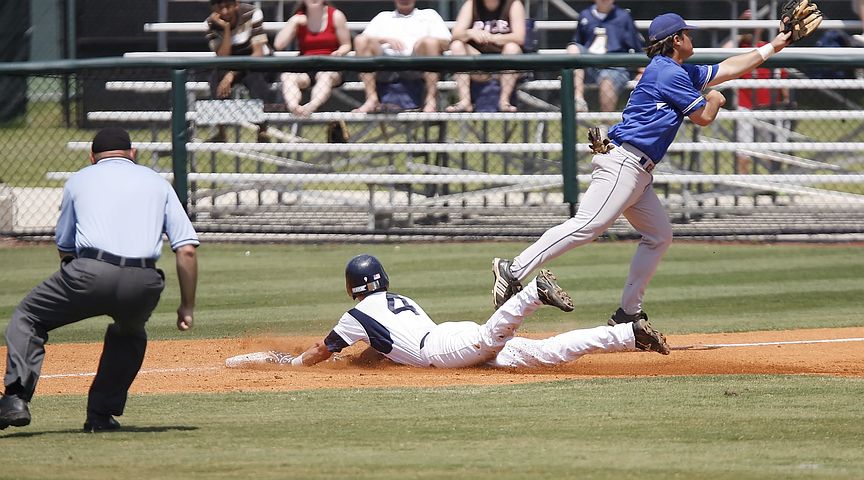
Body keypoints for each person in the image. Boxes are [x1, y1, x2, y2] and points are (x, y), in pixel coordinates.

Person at [491, 13, 792, 325]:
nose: (692, 38)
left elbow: (728, 68)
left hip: (638, 171)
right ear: (676, 40)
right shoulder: (668, 74)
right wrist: (714, 98)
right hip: (625, 163)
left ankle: (628, 313)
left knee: (658, 236)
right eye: (687, 34)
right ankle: (513, 269)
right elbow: (704, 116)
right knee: (587, 226)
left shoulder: (676, 71)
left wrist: (776, 45)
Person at [0, 128, 199, 432]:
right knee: (129, 334)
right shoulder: (158, 182)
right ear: (133, 155)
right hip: (144, 281)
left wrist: (75, 277)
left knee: (28, 317)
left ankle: (15, 399)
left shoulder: (79, 179)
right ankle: (101, 416)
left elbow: (65, 247)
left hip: (89, 271)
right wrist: (187, 306)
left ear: (91, 157)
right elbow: (186, 251)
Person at [225, 254, 669, 371]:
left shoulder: (356, 316)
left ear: (352, 288)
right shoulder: (399, 299)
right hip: (447, 340)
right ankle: (627, 336)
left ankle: (533, 291)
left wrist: (297, 363)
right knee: (547, 353)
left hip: (444, 347)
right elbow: (382, 348)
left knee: (492, 335)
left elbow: (322, 350)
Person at [351, 0, 452, 113]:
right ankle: (371, 99)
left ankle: (430, 101)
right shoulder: (383, 17)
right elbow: (363, 40)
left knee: (430, 43)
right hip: (385, 66)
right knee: (361, 40)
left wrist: (421, 43)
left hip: (417, 66)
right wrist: (385, 39)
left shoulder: (429, 15)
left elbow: (446, 43)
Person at [722, 10, 791, 174]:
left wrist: (786, 100)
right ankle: (744, 184)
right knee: (744, 149)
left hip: (768, 105)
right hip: (745, 104)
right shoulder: (740, 48)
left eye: (753, 24)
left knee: (773, 148)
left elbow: (783, 79)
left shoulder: (767, 47)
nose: (750, 29)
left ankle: (773, 183)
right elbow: (725, 49)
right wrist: (738, 29)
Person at [205, 0, 274, 142]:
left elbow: (258, 53)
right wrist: (226, 29)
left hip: (256, 62)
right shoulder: (212, 23)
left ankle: (262, 130)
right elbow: (222, 57)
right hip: (230, 62)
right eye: (219, 6)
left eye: (228, 6)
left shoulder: (253, 13)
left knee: (256, 78)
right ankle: (221, 131)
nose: (224, 11)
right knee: (216, 78)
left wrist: (232, 74)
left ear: (236, 4)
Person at [273, 0, 352, 116]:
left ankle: (310, 108)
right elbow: (278, 45)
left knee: (324, 75)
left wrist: (339, 52)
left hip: (330, 66)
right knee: (287, 76)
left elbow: (346, 44)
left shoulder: (335, 15)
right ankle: (294, 107)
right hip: (306, 67)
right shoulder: (299, 18)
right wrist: (293, 22)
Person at [447, 0, 526, 113]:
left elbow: (520, 37)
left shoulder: (513, 3)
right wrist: (470, 33)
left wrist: (493, 38)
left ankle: (504, 102)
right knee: (457, 45)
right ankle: (465, 101)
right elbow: (455, 35)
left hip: (506, 66)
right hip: (479, 66)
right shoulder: (472, 3)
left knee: (512, 48)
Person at [567, 0, 643, 113]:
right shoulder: (585, 15)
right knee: (573, 48)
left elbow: (636, 46)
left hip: (613, 66)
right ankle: (578, 100)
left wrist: (641, 71)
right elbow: (578, 43)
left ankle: (604, 125)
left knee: (607, 79)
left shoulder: (623, 16)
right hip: (589, 64)